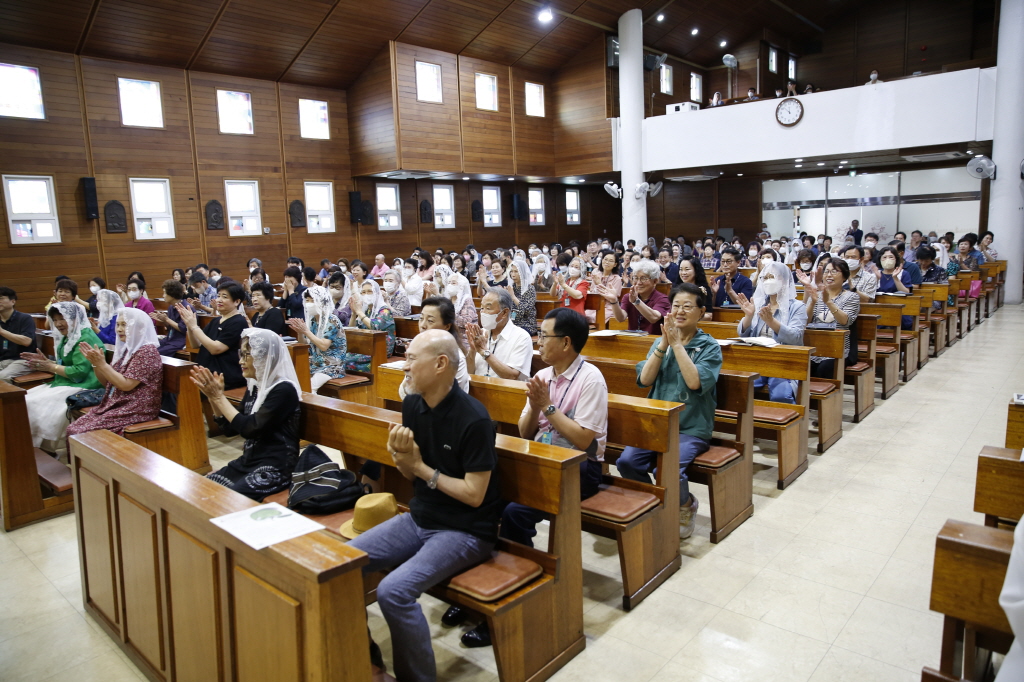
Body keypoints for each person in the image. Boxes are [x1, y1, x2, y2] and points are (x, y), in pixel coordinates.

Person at [348, 329, 501, 682]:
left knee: (393, 591)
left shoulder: (474, 419)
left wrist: (418, 467)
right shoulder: (413, 405)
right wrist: (401, 458)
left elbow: (474, 495)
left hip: (466, 530)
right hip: (421, 516)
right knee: (340, 565)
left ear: (441, 364)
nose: (406, 367)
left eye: (412, 360)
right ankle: (364, 661)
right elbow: (411, 474)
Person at [450, 308, 609, 648]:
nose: (539, 340)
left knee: (515, 513)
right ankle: (477, 588)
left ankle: (513, 594)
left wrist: (548, 407)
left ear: (566, 342)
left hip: (580, 466)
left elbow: (584, 440)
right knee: (485, 498)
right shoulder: (544, 375)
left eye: (545, 335)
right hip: (543, 456)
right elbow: (524, 431)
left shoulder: (591, 378)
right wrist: (536, 407)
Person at [616, 283, 721, 539]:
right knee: (626, 462)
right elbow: (645, 380)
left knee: (670, 469)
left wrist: (677, 345)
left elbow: (695, 382)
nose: (680, 311)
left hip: (690, 427)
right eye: (676, 306)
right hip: (657, 423)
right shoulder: (661, 342)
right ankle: (657, 502)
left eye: (687, 306)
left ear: (701, 311)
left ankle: (685, 505)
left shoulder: (709, 346)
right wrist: (664, 344)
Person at [192, 328, 301, 500]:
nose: (241, 361)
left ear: (264, 357)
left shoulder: (284, 389)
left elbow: (251, 429)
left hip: (275, 466)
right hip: (248, 462)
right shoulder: (255, 387)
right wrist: (212, 398)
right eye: (241, 354)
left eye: (247, 355)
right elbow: (229, 430)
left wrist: (219, 398)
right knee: (202, 490)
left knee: (229, 499)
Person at [67, 307, 163, 440]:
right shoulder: (127, 349)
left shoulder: (147, 352)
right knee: (74, 428)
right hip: (118, 403)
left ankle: (97, 460)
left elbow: (126, 385)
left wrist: (103, 365)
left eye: (124, 325)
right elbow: (107, 383)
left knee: (80, 432)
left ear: (139, 327)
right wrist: (95, 364)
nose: (119, 329)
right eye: (118, 324)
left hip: (136, 408)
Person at [21, 302, 104, 450]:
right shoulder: (68, 336)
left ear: (75, 319)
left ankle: (44, 448)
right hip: (66, 382)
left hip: (85, 386)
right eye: (55, 320)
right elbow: (63, 363)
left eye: (62, 318)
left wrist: (51, 367)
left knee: (35, 402)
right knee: (25, 398)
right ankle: (35, 447)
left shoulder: (84, 337)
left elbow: (79, 373)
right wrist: (46, 362)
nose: (58, 324)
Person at [736, 262, 806, 403]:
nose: (768, 281)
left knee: (781, 396)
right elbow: (742, 335)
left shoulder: (797, 307)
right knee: (737, 388)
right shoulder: (759, 303)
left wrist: (771, 322)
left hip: (783, 361)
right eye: (765, 278)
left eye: (772, 277)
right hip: (757, 359)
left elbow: (795, 337)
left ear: (784, 280)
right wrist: (749, 316)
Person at [178, 280, 248, 391]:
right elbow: (195, 344)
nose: (219, 300)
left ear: (236, 301)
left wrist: (194, 327)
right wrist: (189, 326)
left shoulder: (238, 322)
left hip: (223, 376)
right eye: (218, 295)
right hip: (206, 373)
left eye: (224, 297)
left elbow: (216, 349)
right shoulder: (216, 321)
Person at [805, 259, 860, 378]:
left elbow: (845, 321)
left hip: (838, 349)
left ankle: (819, 396)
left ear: (844, 276)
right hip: (815, 347)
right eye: (826, 272)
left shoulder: (852, 297)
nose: (829, 275)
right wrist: (812, 303)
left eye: (834, 272)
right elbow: (805, 322)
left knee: (824, 369)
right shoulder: (816, 295)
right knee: (802, 366)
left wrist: (828, 302)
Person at [288, 285, 347, 392]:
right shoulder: (312, 320)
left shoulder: (332, 320)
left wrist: (306, 331)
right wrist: (301, 333)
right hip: (316, 363)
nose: (309, 304)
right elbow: (306, 345)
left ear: (322, 302)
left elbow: (324, 346)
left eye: (313, 300)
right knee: (293, 378)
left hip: (333, 366)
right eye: (307, 300)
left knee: (309, 387)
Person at [465, 288, 534, 380]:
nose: (483, 312)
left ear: (504, 312)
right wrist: (473, 351)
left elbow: (512, 376)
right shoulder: (481, 334)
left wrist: (484, 352)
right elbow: (469, 373)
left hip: (506, 392)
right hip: (478, 390)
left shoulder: (521, 337)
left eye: (488, 308)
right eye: (482, 308)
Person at [600, 259, 670, 334]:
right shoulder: (628, 297)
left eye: (643, 278)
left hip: (653, 341)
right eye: (636, 278)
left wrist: (636, 302)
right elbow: (621, 318)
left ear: (655, 281)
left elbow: (654, 318)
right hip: (633, 340)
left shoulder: (663, 299)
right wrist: (614, 301)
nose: (639, 283)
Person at [345, 280, 395, 373]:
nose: (366, 294)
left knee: (346, 362)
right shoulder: (368, 311)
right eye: (363, 292)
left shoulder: (385, 311)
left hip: (380, 350)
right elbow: (353, 328)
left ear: (376, 293)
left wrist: (359, 312)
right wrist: (354, 313)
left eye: (369, 291)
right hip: (365, 348)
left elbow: (375, 327)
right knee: (340, 357)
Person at [0, 287, 37, 383]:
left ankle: (12, 398)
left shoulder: (25, 318)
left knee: (2, 377)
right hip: (3, 360)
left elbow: (27, 341)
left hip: (24, 360)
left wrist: (2, 331)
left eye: (1, 298)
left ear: (13, 301)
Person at [152, 279, 193, 355]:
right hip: (170, 338)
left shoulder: (186, 308)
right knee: (150, 348)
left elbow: (183, 329)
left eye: (164, 293)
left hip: (181, 340)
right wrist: (164, 321)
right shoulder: (171, 307)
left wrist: (167, 319)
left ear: (172, 294)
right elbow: (170, 327)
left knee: (157, 353)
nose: (163, 296)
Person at [506, 259, 537, 336]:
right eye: (512, 271)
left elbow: (526, 310)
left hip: (526, 324)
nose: (513, 274)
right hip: (512, 323)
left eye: (516, 272)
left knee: (513, 336)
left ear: (522, 272)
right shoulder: (511, 288)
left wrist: (513, 297)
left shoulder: (529, 288)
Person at [592, 249, 623, 323]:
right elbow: (593, 293)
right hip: (596, 305)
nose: (607, 262)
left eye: (611, 261)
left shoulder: (617, 279)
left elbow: (613, 297)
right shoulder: (597, 275)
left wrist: (599, 284)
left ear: (615, 264)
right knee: (583, 316)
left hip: (609, 307)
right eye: (605, 259)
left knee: (595, 317)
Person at [445, 273, 477, 341]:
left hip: (465, 336)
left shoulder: (467, 300)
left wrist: (449, 313)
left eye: (453, 283)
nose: (450, 285)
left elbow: (466, 322)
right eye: (449, 283)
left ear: (461, 285)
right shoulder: (448, 299)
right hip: (449, 334)